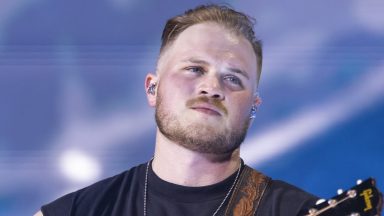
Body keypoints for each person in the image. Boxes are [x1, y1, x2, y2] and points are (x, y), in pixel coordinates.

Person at [35, 4, 318, 216]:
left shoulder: (297, 211)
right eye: (194, 69)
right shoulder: (76, 211)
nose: (212, 87)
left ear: (253, 107)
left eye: (233, 79)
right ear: (152, 89)